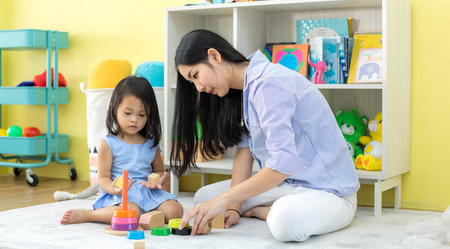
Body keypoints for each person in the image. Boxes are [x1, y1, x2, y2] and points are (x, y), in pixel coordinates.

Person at [171, 29, 360, 242]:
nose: (199, 88)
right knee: (203, 199)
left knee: (282, 222)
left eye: (195, 75)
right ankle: (267, 207)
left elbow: (283, 164)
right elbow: (244, 152)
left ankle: (265, 212)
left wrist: (224, 200)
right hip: (289, 185)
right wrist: (232, 208)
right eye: (192, 83)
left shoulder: (267, 83)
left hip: (329, 192)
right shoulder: (242, 88)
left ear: (214, 56)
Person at [61, 76, 183, 225]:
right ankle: (90, 215)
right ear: (114, 109)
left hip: (147, 193)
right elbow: (104, 178)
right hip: (120, 195)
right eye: (128, 113)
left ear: (149, 115)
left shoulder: (151, 143)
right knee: (130, 212)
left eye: (141, 115)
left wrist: (157, 180)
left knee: (175, 210)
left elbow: (158, 171)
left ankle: (143, 217)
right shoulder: (109, 143)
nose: (134, 119)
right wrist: (113, 189)